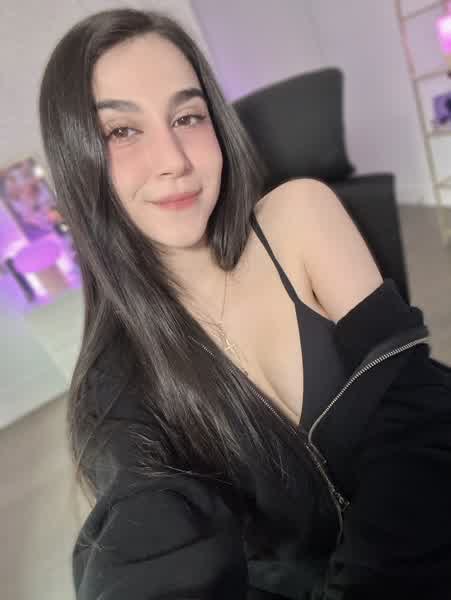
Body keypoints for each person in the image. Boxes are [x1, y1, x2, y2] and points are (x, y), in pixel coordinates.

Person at [38, 8, 451, 600]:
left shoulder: (300, 217)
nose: (174, 160)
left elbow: (412, 409)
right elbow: (149, 542)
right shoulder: (111, 387)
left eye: (187, 116)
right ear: (75, 157)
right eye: (121, 131)